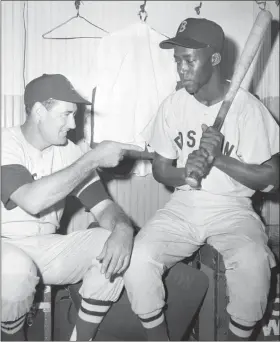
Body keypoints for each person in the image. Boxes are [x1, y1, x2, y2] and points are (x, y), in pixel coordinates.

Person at [123, 18, 280, 341]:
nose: (180, 68)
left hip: (233, 207)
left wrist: (218, 159)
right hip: (184, 205)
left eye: (189, 59)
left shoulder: (249, 110)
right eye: (177, 59)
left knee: (254, 264)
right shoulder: (172, 105)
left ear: (215, 59)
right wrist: (186, 171)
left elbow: (272, 178)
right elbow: (160, 169)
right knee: (138, 257)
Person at [1, 73, 143, 341]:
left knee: (113, 244)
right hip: (5, 245)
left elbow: (104, 208)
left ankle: (81, 338)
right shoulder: (6, 143)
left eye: (75, 115)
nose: (74, 123)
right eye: (66, 114)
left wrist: (123, 229)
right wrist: (92, 159)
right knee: (17, 269)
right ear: (39, 111)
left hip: (47, 246)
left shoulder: (69, 152)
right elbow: (32, 200)